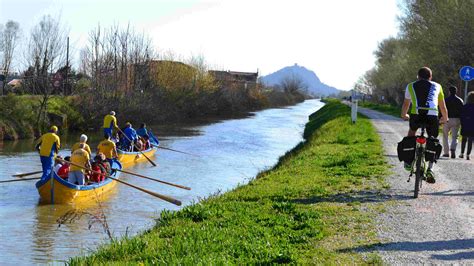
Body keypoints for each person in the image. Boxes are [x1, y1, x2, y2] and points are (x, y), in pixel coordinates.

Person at [400, 67, 448, 183]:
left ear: (418, 76)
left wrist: (404, 115)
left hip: (416, 114)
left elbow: (406, 103)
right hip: (432, 115)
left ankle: (408, 160)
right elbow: (442, 106)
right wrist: (445, 118)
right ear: (430, 77)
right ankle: (430, 169)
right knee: (433, 140)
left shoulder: (410, 86)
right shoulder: (437, 86)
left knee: (412, 132)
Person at [442, 86, 464, 158]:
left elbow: (442, 109)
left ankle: (446, 152)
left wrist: (440, 118)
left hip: (447, 119)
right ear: (456, 91)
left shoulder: (445, 100)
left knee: (445, 136)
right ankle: (453, 148)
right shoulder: (460, 100)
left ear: (449, 91)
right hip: (456, 119)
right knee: (455, 136)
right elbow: (462, 112)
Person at [459, 91, 474, 160]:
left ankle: (462, 153)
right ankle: (468, 154)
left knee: (464, 139)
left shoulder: (464, 106)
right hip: (472, 125)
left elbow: (461, 116)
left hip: (465, 124)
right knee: (470, 140)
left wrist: (462, 123)